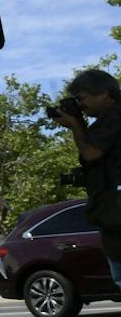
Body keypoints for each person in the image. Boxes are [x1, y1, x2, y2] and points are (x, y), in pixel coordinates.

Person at [50, 67, 121, 290]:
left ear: (105, 93)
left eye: (82, 98)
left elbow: (90, 152)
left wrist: (74, 126)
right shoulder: (107, 119)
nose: (80, 104)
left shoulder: (116, 116)